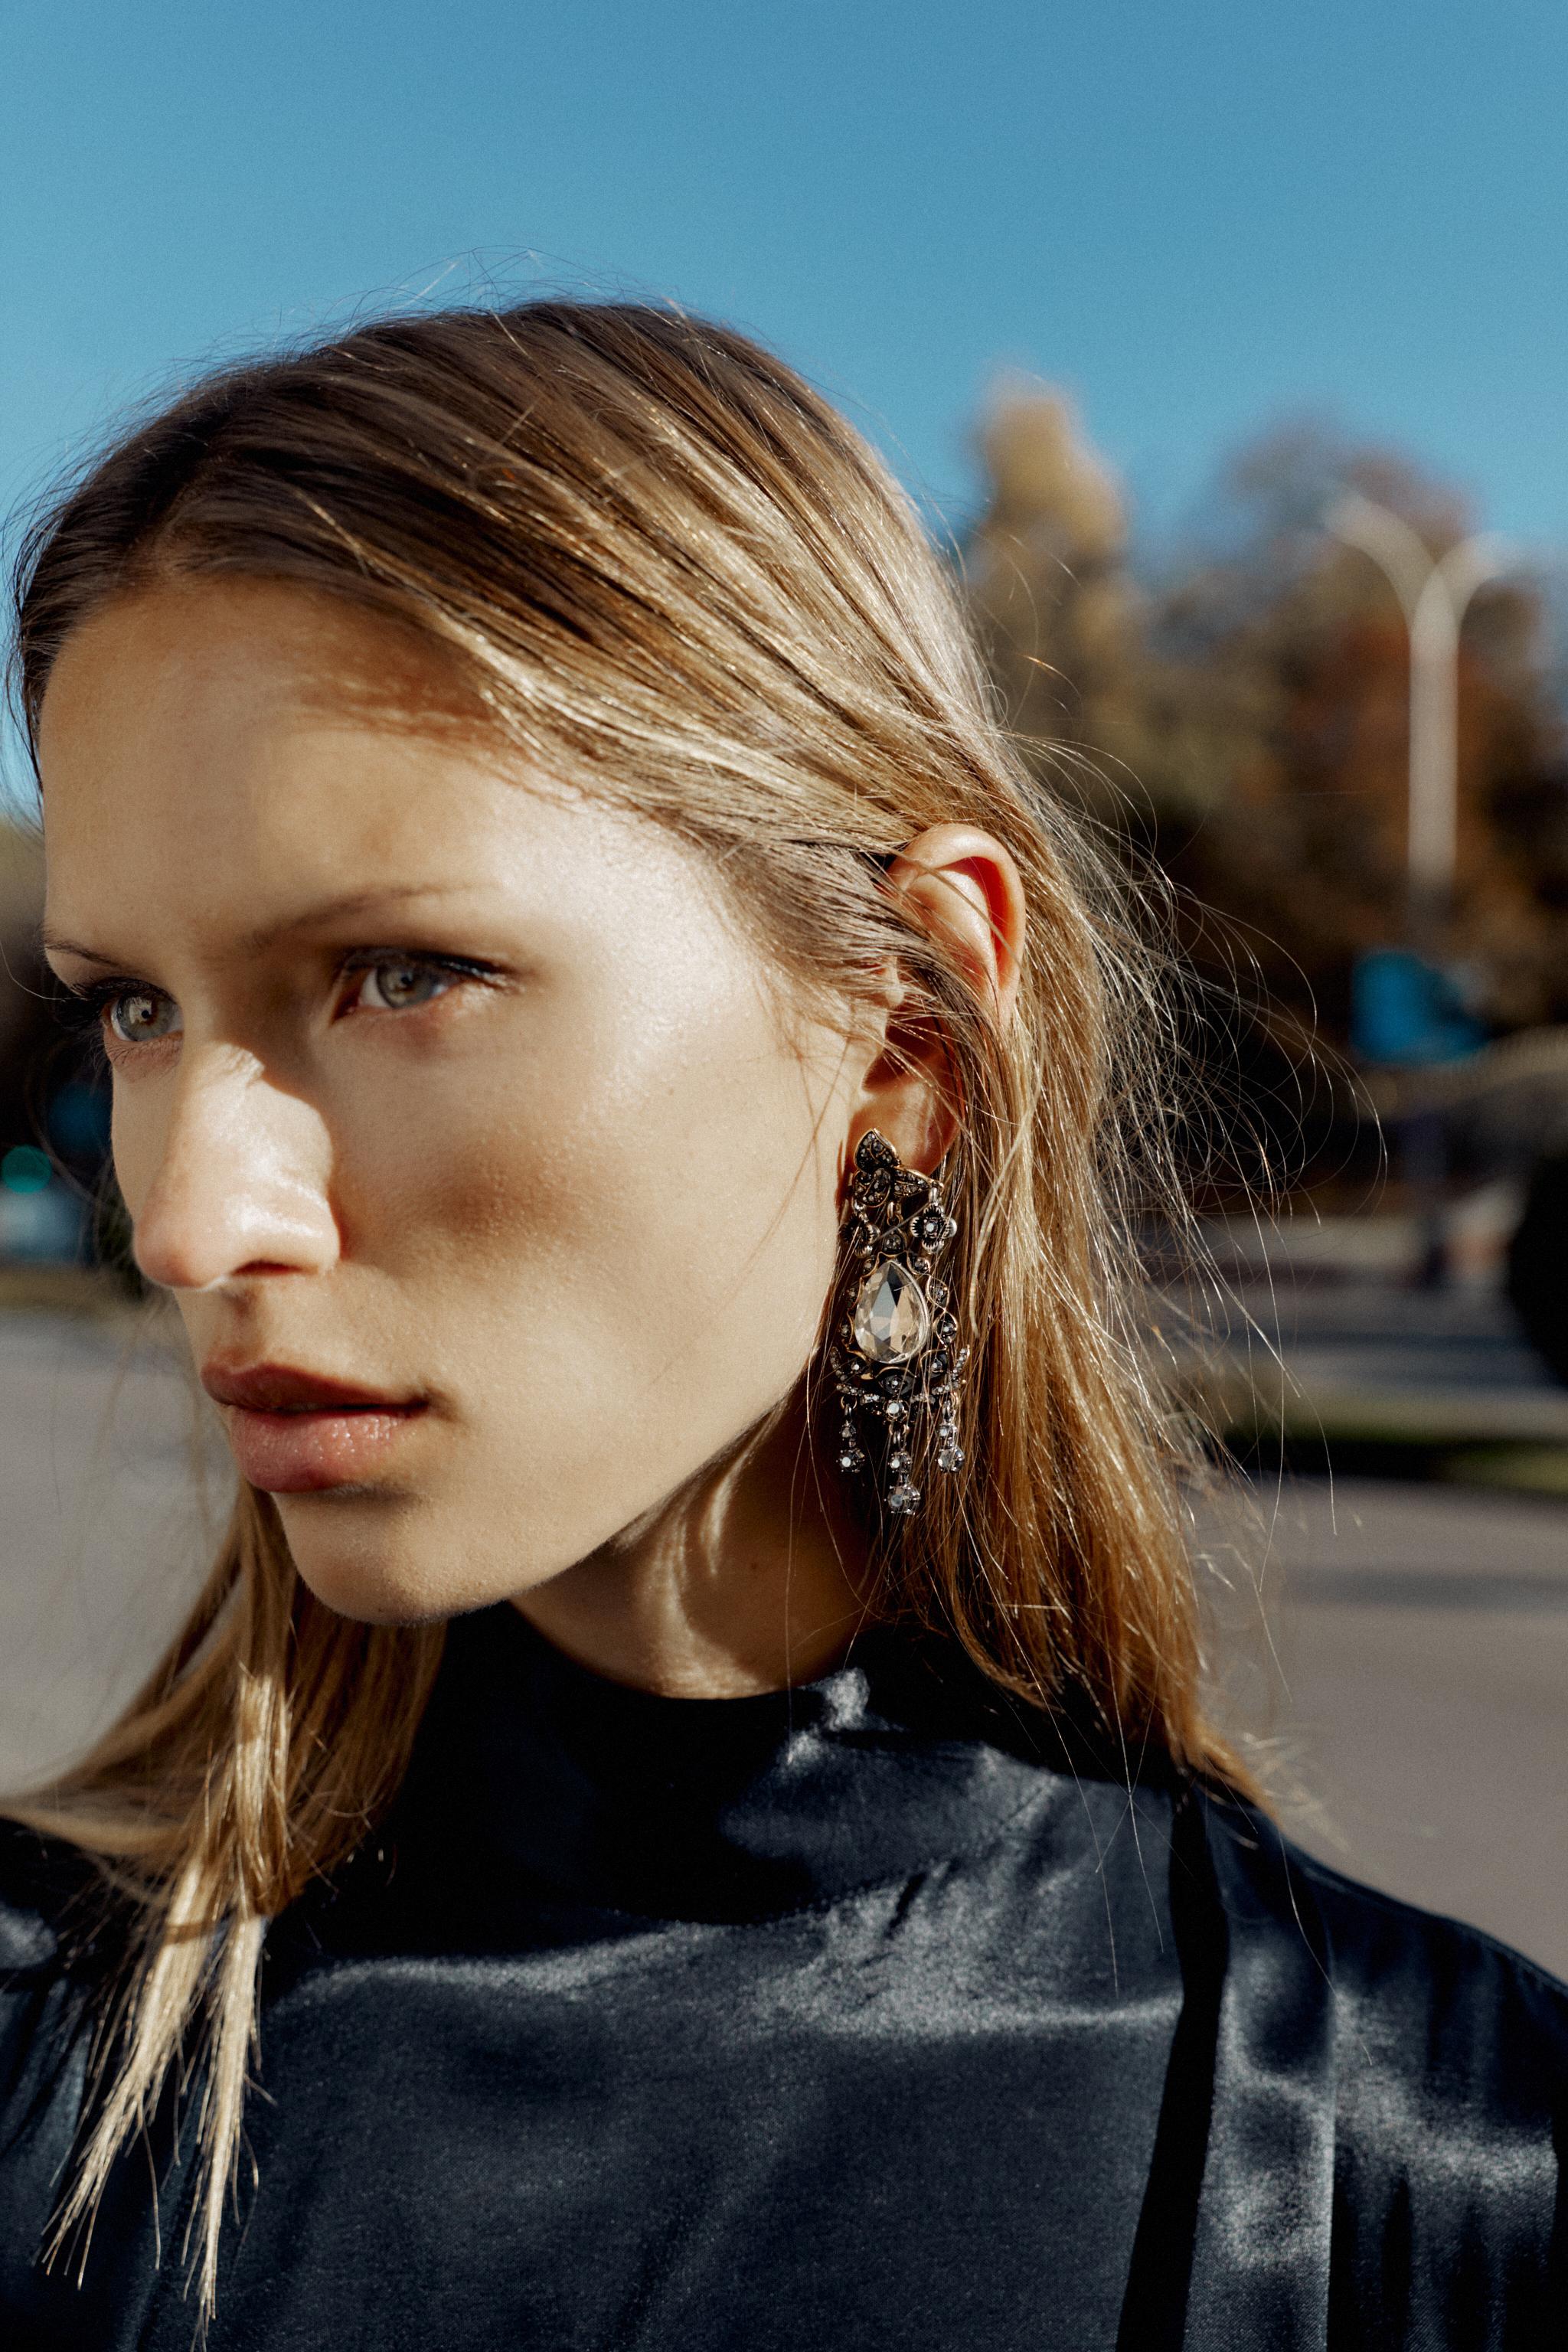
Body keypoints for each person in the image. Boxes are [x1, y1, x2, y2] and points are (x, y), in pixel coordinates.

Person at [0, 302, 1562, 2351]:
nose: (192, 1218)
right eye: (137, 1009)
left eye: (402, 975)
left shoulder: (1427, 2172)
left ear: (905, 1029)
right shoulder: (47, 2065)